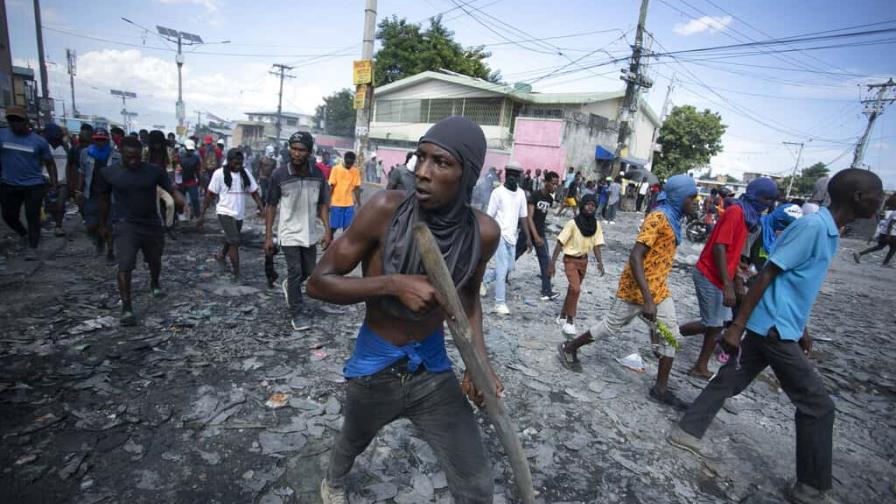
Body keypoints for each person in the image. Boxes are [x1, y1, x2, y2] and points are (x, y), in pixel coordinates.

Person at [306, 116, 502, 504]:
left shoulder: (483, 233)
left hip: (431, 368)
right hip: (375, 365)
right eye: (421, 158)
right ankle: (333, 481)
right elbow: (317, 283)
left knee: (477, 482)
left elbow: (468, 301)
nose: (423, 173)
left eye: (441, 163)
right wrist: (391, 284)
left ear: (467, 175)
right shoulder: (384, 210)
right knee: (353, 438)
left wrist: (480, 365)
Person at [668, 169, 883, 504]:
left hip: (780, 325)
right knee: (818, 405)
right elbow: (768, 273)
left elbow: (794, 284)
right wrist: (737, 325)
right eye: (877, 193)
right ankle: (810, 489)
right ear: (857, 197)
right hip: (772, 328)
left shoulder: (829, 231)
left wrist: (803, 328)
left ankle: (687, 430)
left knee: (730, 380)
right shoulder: (813, 227)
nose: (881, 200)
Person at [559, 175, 699, 410]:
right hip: (637, 288)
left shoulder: (674, 220)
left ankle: (660, 389)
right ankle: (569, 347)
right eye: (691, 197)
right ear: (678, 197)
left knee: (671, 336)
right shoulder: (658, 218)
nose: (696, 202)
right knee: (610, 326)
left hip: (659, 289)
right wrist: (647, 299)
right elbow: (635, 257)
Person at [678, 178, 778, 379]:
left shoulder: (748, 217)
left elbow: (730, 250)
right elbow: (719, 247)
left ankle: (686, 349)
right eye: (766, 198)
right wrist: (728, 285)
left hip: (720, 274)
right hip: (709, 273)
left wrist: (738, 270)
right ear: (756, 195)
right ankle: (692, 358)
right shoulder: (736, 213)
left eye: (771, 199)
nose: (768, 204)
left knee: (717, 323)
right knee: (713, 323)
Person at [95, 136, 184, 325]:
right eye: (129, 157)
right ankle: (127, 307)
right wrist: (103, 224)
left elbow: (170, 187)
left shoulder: (154, 171)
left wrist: (178, 198)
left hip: (151, 223)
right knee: (125, 265)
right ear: (121, 153)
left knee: (154, 259)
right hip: (125, 223)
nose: (133, 161)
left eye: (137, 157)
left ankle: (154, 282)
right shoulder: (109, 173)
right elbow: (103, 200)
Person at [265, 132, 332, 329]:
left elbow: (322, 205)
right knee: (295, 271)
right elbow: (271, 205)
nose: (296, 153)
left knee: (308, 271)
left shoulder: (318, 174)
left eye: (301, 150)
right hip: (288, 232)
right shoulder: (280, 174)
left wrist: (328, 231)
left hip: (310, 232)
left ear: (309, 152)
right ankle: (297, 313)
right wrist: (269, 236)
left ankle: (290, 286)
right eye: (293, 149)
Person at [197, 149, 264, 283]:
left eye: (240, 163)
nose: (238, 165)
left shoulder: (245, 173)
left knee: (232, 237)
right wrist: (201, 215)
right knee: (234, 240)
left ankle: (222, 255)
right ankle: (237, 273)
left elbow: (254, 192)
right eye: (235, 163)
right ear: (229, 161)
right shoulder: (219, 174)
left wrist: (261, 207)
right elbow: (210, 195)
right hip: (224, 211)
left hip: (239, 213)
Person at [0, 106, 57, 260]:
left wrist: (53, 182)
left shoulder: (38, 142)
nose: (15, 123)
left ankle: (33, 246)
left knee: (32, 216)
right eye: (11, 120)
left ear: (25, 121)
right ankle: (23, 234)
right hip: (9, 183)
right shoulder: (2, 136)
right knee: (8, 215)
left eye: (18, 120)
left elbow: (50, 163)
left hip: (33, 185)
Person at [548, 193, 605, 336]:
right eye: (588, 205)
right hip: (570, 260)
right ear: (582, 205)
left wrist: (600, 262)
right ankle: (570, 321)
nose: (590, 208)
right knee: (576, 289)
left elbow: (597, 245)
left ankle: (561, 316)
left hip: (583, 261)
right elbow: (560, 242)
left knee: (572, 290)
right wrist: (552, 263)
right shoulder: (573, 224)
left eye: (593, 206)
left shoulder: (595, 225)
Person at [484, 161, 531, 315]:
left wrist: (528, 238)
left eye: (515, 175)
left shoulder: (521, 194)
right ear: (505, 175)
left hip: (513, 237)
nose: (512, 178)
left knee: (509, 268)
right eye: (509, 174)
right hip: (500, 235)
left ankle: (484, 279)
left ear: (519, 177)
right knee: (503, 270)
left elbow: (523, 217)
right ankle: (499, 303)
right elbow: (489, 216)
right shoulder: (497, 193)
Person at [78, 127, 119, 261]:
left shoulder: (116, 155)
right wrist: (78, 190)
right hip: (91, 193)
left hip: (110, 195)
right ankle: (99, 240)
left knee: (110, 224)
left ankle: (110, 251)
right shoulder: (85, 153)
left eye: (103, 140)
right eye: (97, 140)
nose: (100, 142)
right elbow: (82, 173)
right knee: (91, 225)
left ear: (107, 140)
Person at [528, 171, 560, 301]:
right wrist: (534, 236)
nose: (555, 187)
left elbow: (542, 217)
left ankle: (546, 291)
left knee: (545, 261)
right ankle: (492, 278)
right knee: (512, 257)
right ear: (546, 182)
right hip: (529, 234)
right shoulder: (535, 196)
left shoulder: (549, 199)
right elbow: (529, 218)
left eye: (557, 184)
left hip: (540, 233)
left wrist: (540, 234)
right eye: (553, 184)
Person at [42, 123, 69, 237]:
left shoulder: (66, 147)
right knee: (50, 205)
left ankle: (58, 225)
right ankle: (55, 221)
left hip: (62, 180)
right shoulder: (43, 146)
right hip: (46, 180)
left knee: (60, 204)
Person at [853, 197, 896, 266]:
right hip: (890, 234)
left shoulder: (893, 212)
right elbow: (890, 224)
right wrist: (888, 235)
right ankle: (885, 263)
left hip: (885, 233)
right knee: (892, 248)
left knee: (881, 247)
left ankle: (859, 254)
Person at [328, 151, 361, 235]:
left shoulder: (355, 171)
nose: (349, 165)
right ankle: (327, 243)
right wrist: (327, 201)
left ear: (354, 162)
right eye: (348, 163)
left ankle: (343, 246)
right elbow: (331, 186)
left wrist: (359, 203)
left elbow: (357, 188)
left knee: (347, 229)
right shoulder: (336, 169)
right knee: (333, 227)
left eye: (351, 163)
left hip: (349, 204)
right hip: (336, 203)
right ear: (344, 159)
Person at [176, 139, 201, 219]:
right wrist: (177, 181)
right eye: (188, 150)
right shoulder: (179, 157)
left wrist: (199, 180)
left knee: (195, 199)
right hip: (181, 181)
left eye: (191, 150)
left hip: (191, 181)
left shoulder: (196, 158)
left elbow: (198, 170)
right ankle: (180, 214)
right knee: (180, 200)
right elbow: (176, 170)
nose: (190, 151)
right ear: (185, 148)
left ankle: (198, 216)